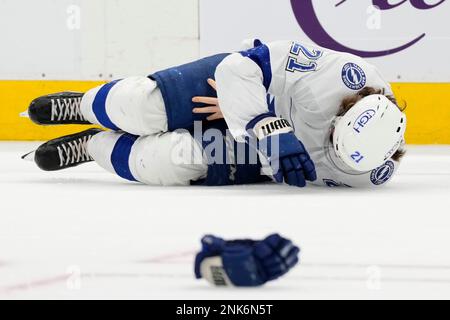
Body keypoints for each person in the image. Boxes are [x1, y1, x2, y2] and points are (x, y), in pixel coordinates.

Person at [24, 39, 406, 188]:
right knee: (142, 107)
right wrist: (256, 116)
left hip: (263, 152)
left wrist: (260, 140)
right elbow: (240, 69)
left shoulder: (366, 174)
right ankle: (83, 105)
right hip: (245, 89)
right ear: (350, 105)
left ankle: (93, 145)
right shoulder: (340, 76)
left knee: (164, 163)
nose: (326, 145)